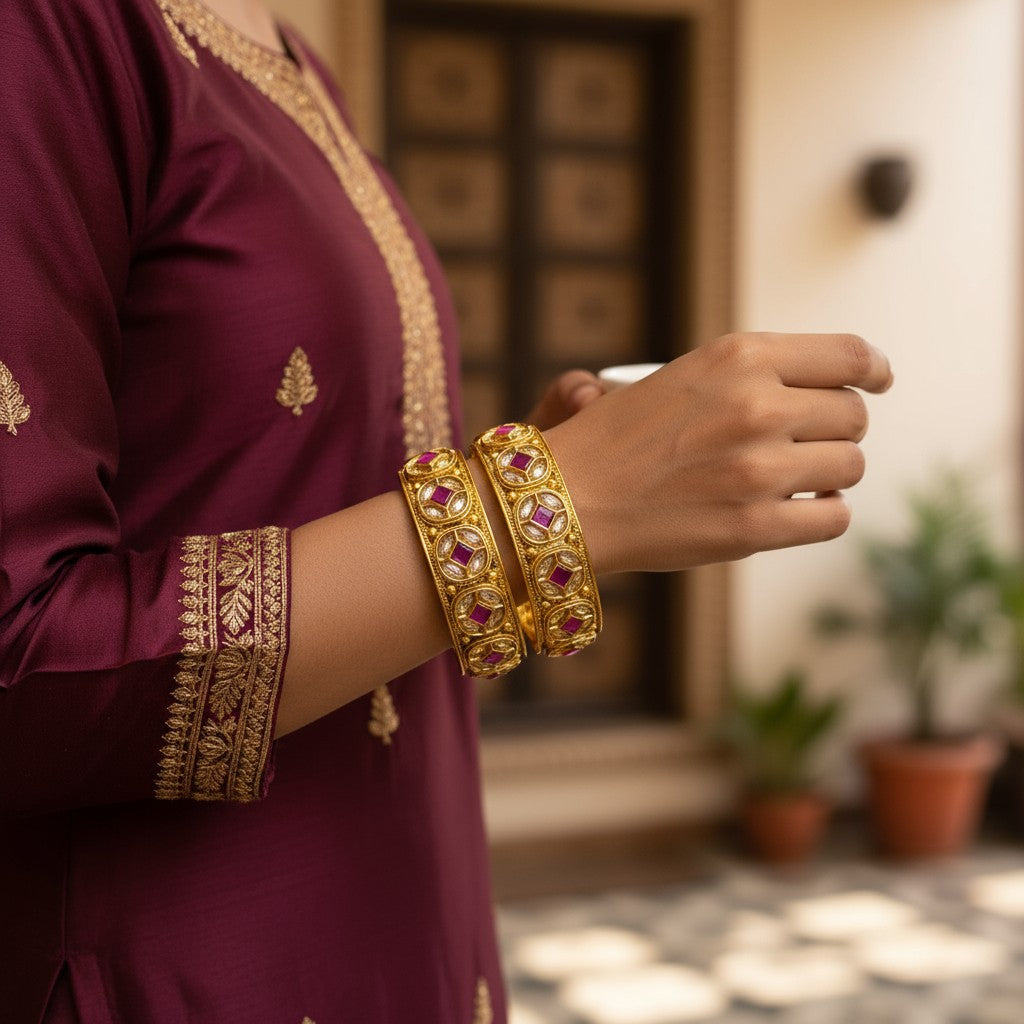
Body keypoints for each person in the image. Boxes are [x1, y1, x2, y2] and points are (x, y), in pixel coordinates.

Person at [0, 0, 892, 1021]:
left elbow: (281, 483)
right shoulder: (52, 30)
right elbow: (21, 655)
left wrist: (563, 469)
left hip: (396, 908)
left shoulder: (293, 61)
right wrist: (536, 511)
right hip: (190, 965)